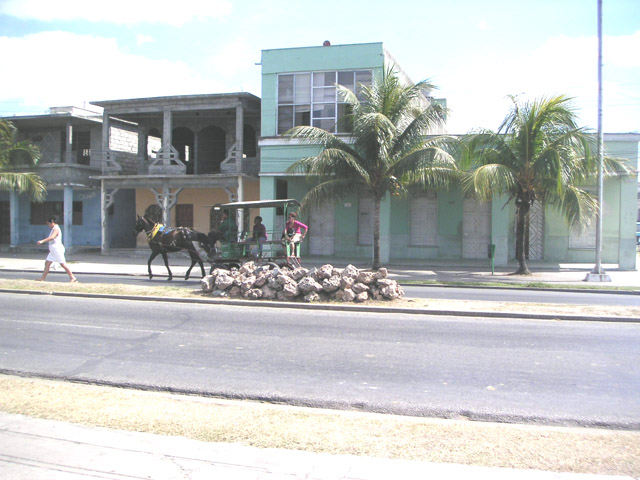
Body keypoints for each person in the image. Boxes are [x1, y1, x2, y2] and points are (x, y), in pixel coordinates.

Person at [36, 215, 77, 282]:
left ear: (52, 222)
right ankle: (42, 278)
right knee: (47, 263)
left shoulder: (56, 229)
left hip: (57, 249)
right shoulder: (53, 229)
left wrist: (42, 241)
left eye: (49, 224)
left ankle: (72, 277)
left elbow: (52, 237)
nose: (48, 225)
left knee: (62, 264)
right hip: (53, 250)